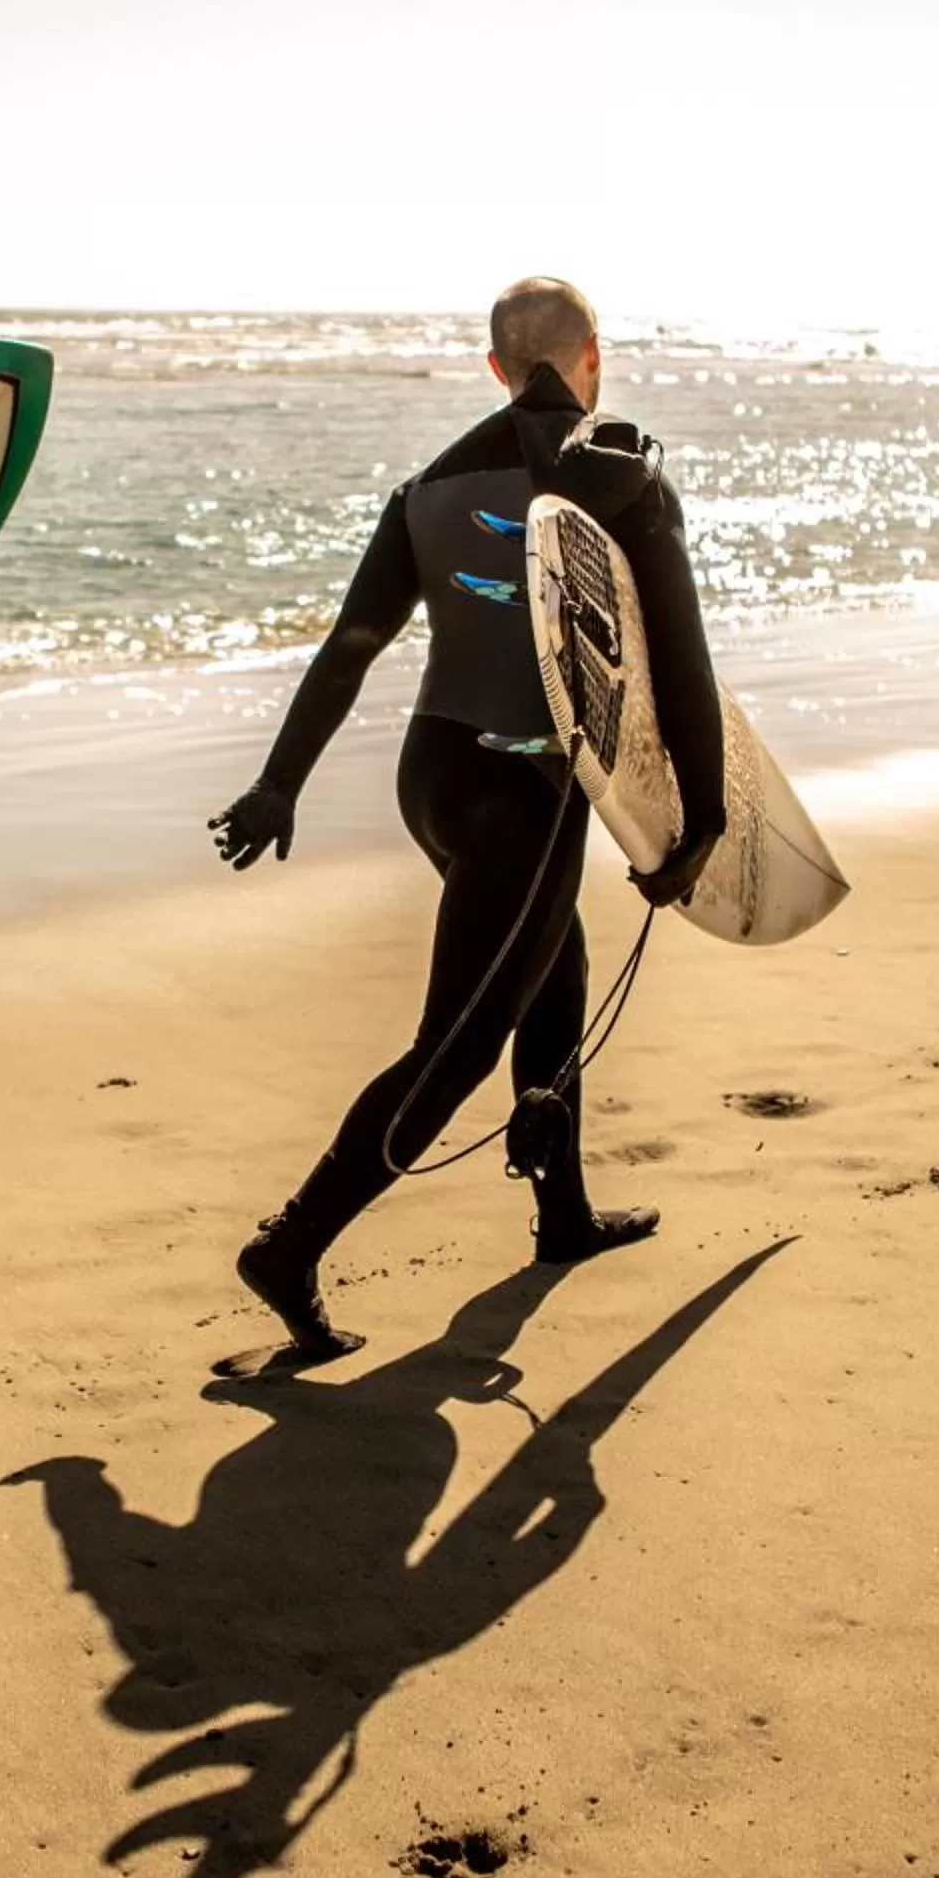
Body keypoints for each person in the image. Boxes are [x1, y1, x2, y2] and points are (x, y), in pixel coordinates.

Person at [208, 276, 728, 1364]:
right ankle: (291, 1246)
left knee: (556, 964)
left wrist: (279, 782)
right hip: (525, 794)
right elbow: (680, 665)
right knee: (454, 1047)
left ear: (498, 367)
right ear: (595, 357)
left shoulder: (428, 483)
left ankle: (562, 1212)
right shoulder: (625, 481)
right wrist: (706, 814)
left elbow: (352, 643)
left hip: (435, 777)